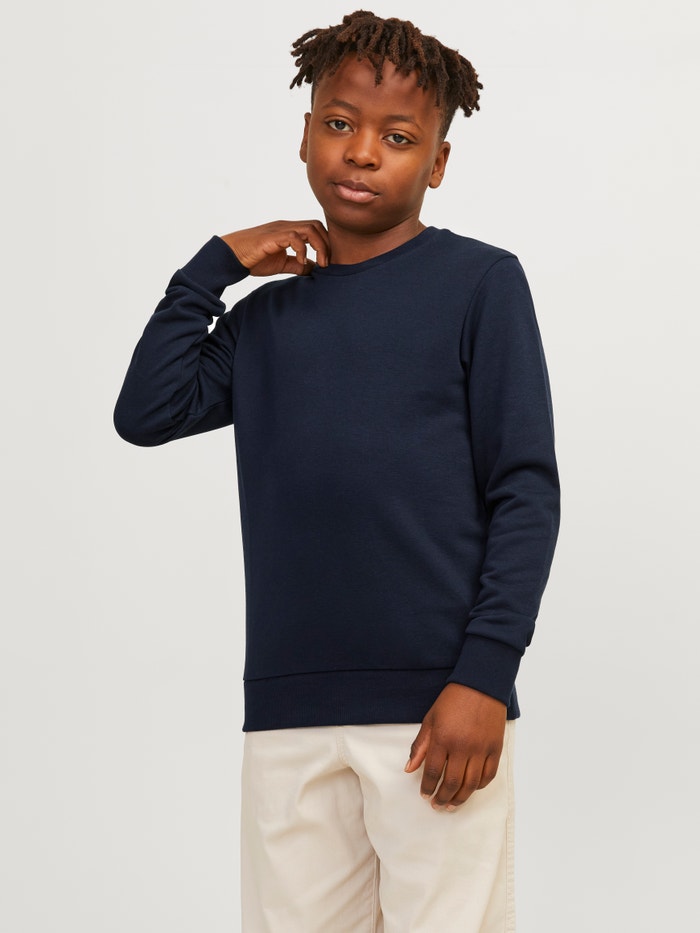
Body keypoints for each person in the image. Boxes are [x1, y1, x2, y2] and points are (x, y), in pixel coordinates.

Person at [114, 10, 560, 932]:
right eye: (340, 123)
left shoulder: (480, 285)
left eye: (398, 137)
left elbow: (524, 488)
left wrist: (485, 676)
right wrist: (215, 266)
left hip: (439, 707)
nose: (361, 152)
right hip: (290, 710)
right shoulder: (266, 321)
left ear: (437, 163)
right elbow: (146, 412)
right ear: (306, 133)